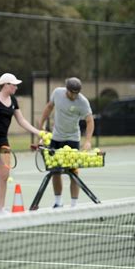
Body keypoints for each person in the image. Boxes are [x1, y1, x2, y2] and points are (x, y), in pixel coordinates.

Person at [0, 73, 42, 216]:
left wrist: (38, 132)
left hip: (3, 141)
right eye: (14, 84)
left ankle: (0, 209)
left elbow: (21, 120)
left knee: (5, 174)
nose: (16, 87)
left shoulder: (13, 100)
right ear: (6, 85)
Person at [38, 77, 94, 208]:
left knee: (73, 172)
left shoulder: (83, 102)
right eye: (71, 92)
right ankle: (58, 202)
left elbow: (90, 121)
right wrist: (41, 126)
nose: (74, 95)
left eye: (76, 93)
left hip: (73, 139)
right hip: (56, 138)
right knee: (55, 171)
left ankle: (74, 204)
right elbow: (49, 107)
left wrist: (88, 141)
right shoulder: (57, 93)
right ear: (66, 89)